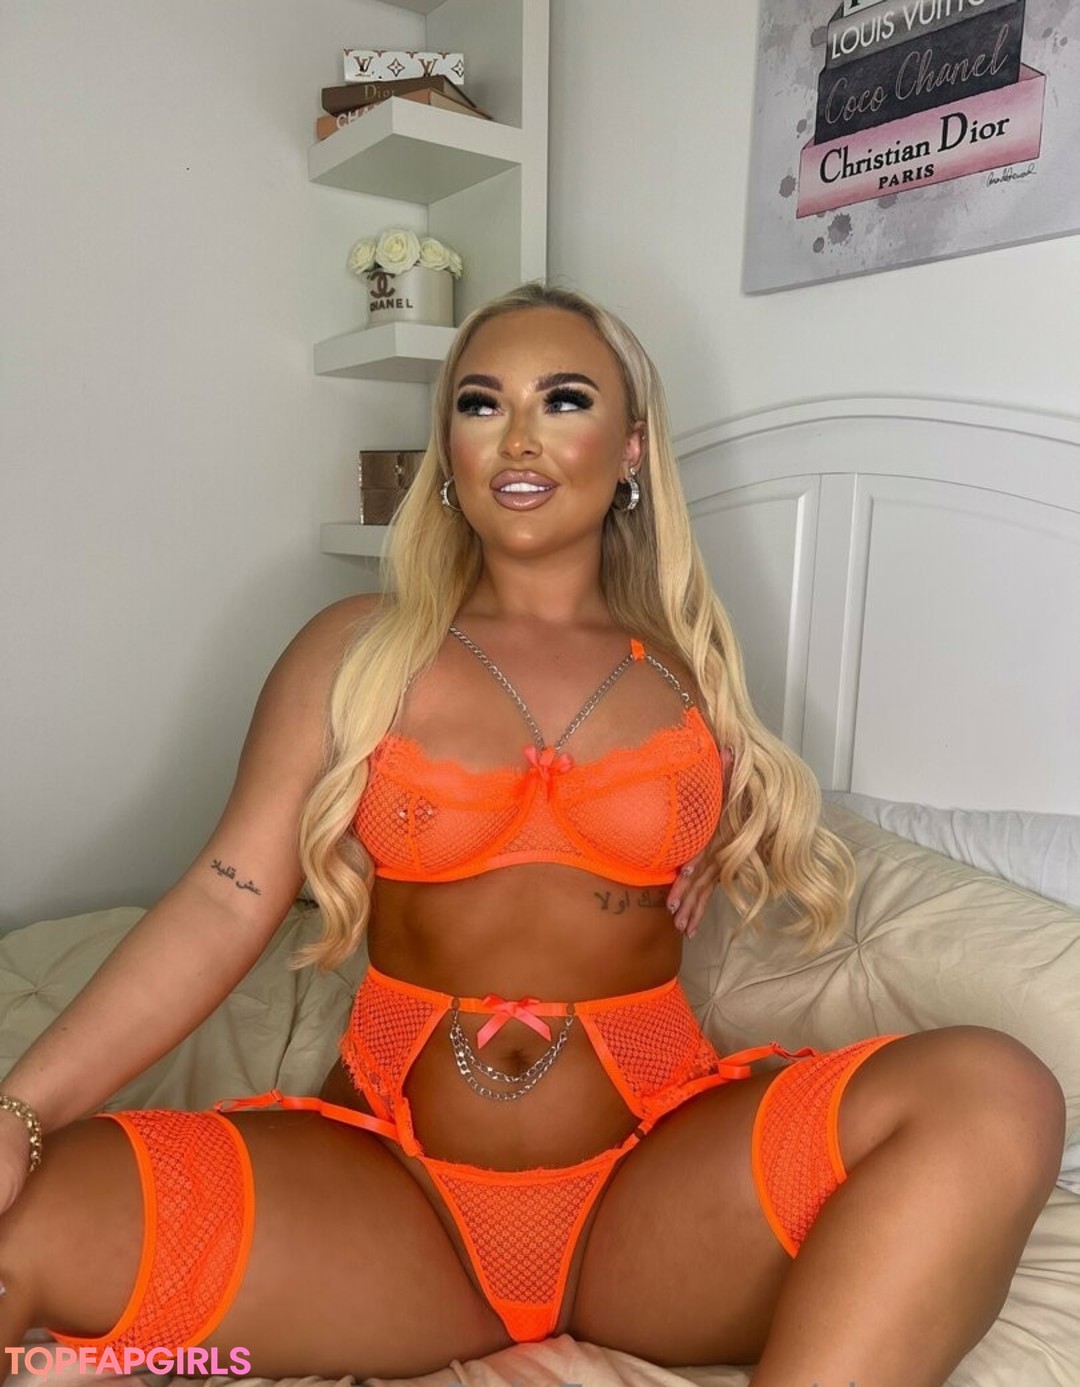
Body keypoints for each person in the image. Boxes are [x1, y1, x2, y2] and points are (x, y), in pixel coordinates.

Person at [0, 283, 1065, 1386]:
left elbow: (748, 832)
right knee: (21, 1229)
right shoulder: (355, 651)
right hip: (389, 1195)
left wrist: (712, 829)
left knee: (997, 1092)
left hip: (651, 1196)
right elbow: (226, 896)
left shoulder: (691, 676)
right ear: (448, 449)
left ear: (632, 446)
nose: (518, 437)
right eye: (481, 403)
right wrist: (21, 1110)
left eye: (563, 400)